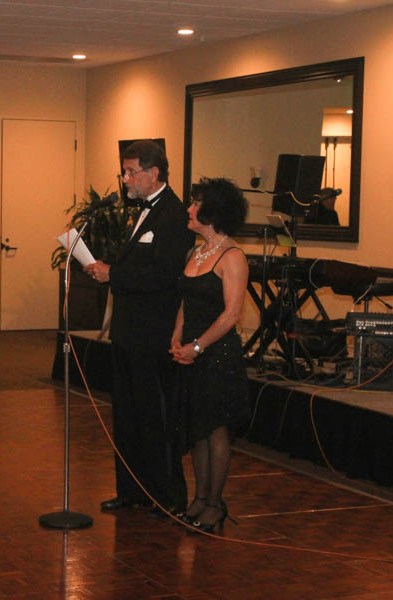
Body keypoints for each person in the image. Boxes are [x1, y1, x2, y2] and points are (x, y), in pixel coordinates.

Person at [84, 140, 193, 516]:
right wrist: (107, 269)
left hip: (153, 334)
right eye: (124, 172)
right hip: (128, 331)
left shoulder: (174, 215)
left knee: (154, 417)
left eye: (131, 172)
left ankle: (167, 496)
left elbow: (164, 275)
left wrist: (113, 274)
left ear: (154, 173)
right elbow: (138, 266)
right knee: (127, 415)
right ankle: (132, 490)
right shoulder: (141, 211)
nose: (126, 179)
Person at [169, 177, 250, 533]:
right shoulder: (193, 253)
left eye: (195, 203)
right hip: (190, 351)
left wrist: (198, 346)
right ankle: (199, 499)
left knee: (216, 430)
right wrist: (177, 338)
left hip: (217, 355)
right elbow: (185, 303)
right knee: (197, 429)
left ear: (213, 212)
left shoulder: (233, 257)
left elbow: (232, 314)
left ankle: (215, 505)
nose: (188, 209)